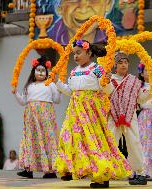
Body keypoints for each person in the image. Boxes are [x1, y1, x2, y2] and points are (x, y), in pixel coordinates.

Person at [54, 39, 131, 188]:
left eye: (78, 53)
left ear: (89, 53)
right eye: (73, 54)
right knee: (68, 137)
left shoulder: (97, 69)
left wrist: (107, 82)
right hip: (75, 111)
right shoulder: (74, 71)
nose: (75, 56)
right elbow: (71, 92)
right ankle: (70, 169)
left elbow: (108, 90)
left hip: (91, 112)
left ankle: (102, 176)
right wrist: (57, 82)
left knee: (93, 141)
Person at [12, 56, 61, 179]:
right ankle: (28, 168)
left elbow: (57, 100)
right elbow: (23, 101)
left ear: (47, 73)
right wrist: (15, 93)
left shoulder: (50, 85)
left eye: (43, 70)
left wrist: (59, 89)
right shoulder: (29, 86)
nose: (40, 72)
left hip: (46, 117)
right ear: (33, 72)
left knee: (47, 140)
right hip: (31, 117)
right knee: (30, 140)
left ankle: (50, 170)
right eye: (38, 70)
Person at [107, 52, 147, 185]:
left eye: (125, 62)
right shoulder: (108, 79)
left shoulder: (134, 81)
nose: (123, 65)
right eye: (120, 62)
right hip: (113, 116)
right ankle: (105, 173)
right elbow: (104, 93)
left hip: (130, 116)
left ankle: (140, 174)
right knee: (109, 143)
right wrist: (105, 82)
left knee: (134, 143)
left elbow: (140, 98)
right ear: (115, 65)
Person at [48, 0, 114, 45]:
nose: (83, 10)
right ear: (59, 6)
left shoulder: (119, 38)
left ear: (108, 3)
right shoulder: (47, 40)